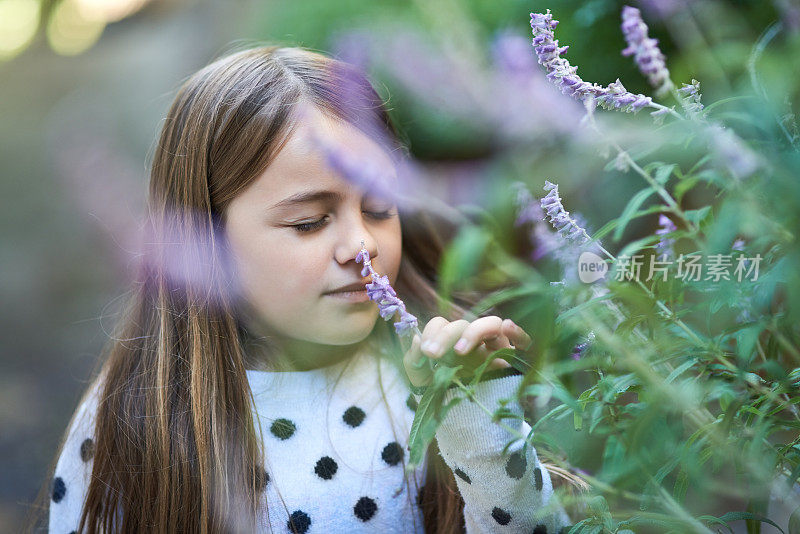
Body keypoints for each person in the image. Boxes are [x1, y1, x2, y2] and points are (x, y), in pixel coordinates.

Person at [40, 45, 577, 533]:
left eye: (378, 208)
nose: (360, 245)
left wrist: (473, 417)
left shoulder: (435, 373)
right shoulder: (136, 415)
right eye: (308, 222)